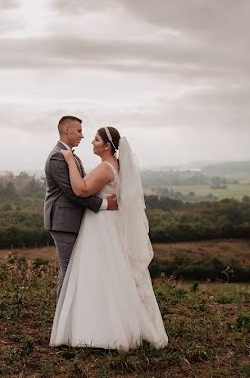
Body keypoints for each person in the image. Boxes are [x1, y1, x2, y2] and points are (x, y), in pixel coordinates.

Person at [49, 125, 168, 350]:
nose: (91, 142)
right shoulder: (117, 165)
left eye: (95, 140)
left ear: (106, 145)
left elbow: (81, 190)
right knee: (113, 272)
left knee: (99, 272)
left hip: (101, 225)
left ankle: (101, 329)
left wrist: (70, 161)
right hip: (109, 223)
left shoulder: (106, 167)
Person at [44, 116, 118, 298]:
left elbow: (85, 186)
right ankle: (63, 317)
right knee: (69, 270)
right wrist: (104, 203)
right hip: (63, 222)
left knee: (75, 270)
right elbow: (73, 192)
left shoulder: (71, 155)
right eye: (79, 131)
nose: (82, 136)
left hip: (75, 221)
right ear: (67, 129)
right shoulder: (57, 156)